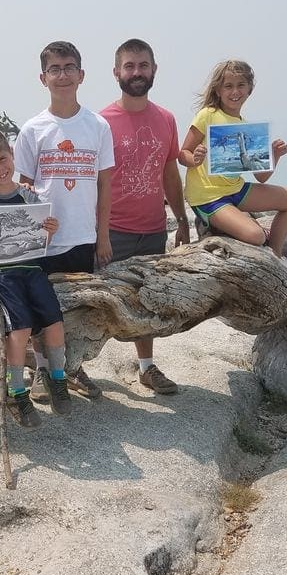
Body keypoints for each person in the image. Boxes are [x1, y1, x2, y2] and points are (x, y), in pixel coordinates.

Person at [14, 41, 115, 401]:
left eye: (69, 67)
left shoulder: (98, 126)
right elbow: (22, 188)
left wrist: (103, 236)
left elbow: (105, 183)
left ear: (82, 75)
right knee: (43, 310)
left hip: (82, 235)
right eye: (54, 69)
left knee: (76, 310)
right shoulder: (33, 129)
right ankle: (42, 371)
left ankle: (71, 369)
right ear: (43, 78)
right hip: (43, 239)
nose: (62, 75)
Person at [0, 127, 71, 428]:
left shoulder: (28, 195)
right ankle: (16, 391)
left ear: (11, 155)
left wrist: (50, 229)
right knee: (19, 330)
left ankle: (57, 378)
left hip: (32, 268)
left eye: (2, 159)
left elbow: (41, 238)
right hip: (0, 273)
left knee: (54, 321)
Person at [99, 38, 189, 394]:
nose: (136, 72)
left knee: (147, 302)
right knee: (98, 300)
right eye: (129, 66)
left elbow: (170, 174)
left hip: (153, 229)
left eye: (143, 65)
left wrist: (181, 220)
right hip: (113, 229)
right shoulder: (101, 121)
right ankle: (70, 368)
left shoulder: (166, 119)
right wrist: (99, 232)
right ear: (116, 72)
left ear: (154, 70)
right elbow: (96, 181)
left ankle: (147, 367)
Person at [179, 59, 287, 273]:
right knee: (255, 235)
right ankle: (213, 223)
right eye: (228, 86)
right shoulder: (208, 115)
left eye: (240, 85)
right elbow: (182, 153)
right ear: (218, 90)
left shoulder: (245, 126)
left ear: (250, 89)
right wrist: (194, 159)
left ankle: (277, 256)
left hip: (235, 189)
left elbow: (261, 177)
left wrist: (274, 155)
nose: (235, 92)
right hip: (207, 197)